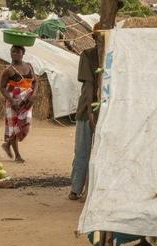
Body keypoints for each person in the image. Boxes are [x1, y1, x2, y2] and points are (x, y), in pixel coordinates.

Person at [68, 23, 101, 200]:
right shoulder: (88, 55)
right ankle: (76, 188)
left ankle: (83, 189)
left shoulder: (111, 56)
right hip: (88, 109)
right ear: (95, 38)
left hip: (101, 109)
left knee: (88, 150)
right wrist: (90, 111)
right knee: (83, 150)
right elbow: (88, 86)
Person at [0, 45, 38, 163]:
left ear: (23, 53)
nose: (15, 54)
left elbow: (35, 81)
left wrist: (33, 95)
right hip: (13, 102)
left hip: (27, 101)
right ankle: (17, 155)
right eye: (13, 52)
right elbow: (2, 88)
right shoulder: (8, 70)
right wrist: (11, 101)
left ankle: (7, 144)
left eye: (18, 52)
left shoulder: (29, 66)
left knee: (25, 125)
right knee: (13, 127)